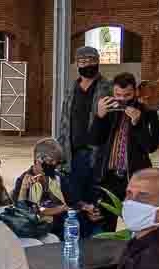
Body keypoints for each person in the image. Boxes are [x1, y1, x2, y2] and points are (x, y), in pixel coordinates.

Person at [89, 72, 159, 231]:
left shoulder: (148, 113)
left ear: (135, 92)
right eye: (117, 95)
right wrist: (99, 116)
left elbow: (151, 146)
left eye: (127, 95)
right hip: (108, 176)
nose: (122, 99)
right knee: (104, 224)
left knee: (137, 222)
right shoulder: (108, 111)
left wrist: (137, 123)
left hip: (134, 178)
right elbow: (94, 140)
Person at [58, 46, 113, 198]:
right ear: (77, 64)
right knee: (73, 197)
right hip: (72, 151)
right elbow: (64, 121)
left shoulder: (108, 88)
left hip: (96, 152)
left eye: (91, 60)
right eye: (82, 61)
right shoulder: (71, 88)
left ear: (98, 62)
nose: (87, 64)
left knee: (94, 197)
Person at [12, 138, 79, 237]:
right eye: (51, 162)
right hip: (36, 231)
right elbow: (23, 212)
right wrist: (59, 209)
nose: (54, 167)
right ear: (38, 159)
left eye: (56, 163)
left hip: (60, 228)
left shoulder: (58, 178)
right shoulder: (23, 181)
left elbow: (72, 202)